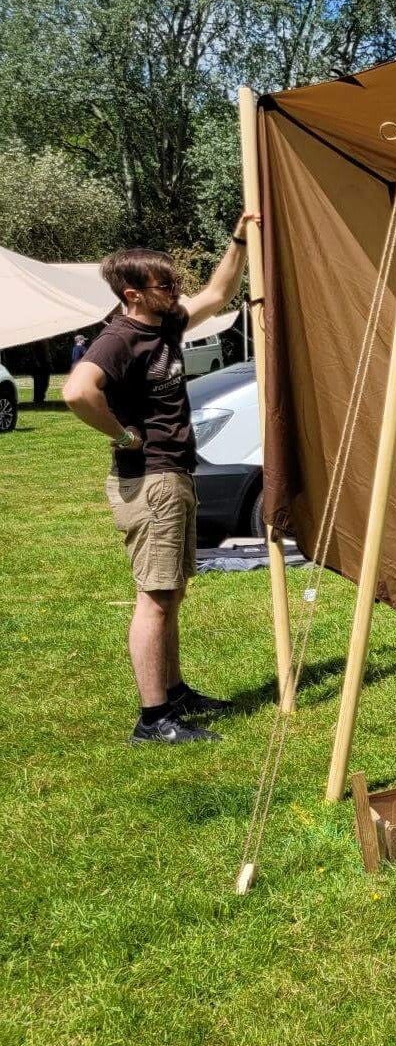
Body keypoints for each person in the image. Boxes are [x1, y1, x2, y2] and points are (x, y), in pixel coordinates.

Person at [62, 214, 258, 744]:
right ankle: (154, 720)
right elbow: (78, 392)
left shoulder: (164, 322)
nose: (176, 290)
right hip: (150, 480)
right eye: (165, 285)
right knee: (154, 596)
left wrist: (239, 239)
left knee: (171, 592)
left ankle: (174, 693)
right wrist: (124, 435)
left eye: (174, 282)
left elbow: (218, 294)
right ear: (132, 294)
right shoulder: (119, 338)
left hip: (174, 474)